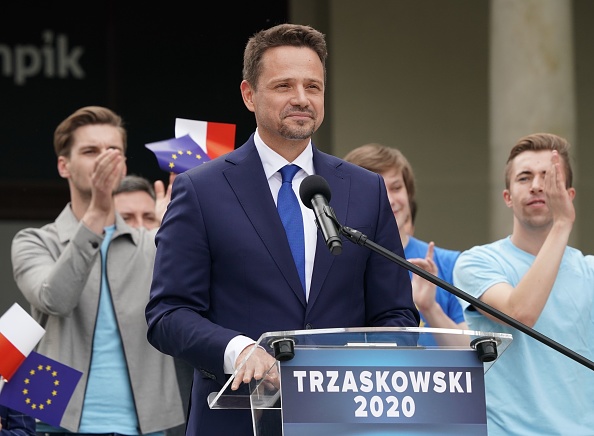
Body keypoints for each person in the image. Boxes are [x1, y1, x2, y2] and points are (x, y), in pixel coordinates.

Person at [145, 23, 419, 436]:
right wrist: (238, 350)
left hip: (344, 420)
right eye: (283, 86)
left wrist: (364, 360)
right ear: (248, 95)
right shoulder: (201, 189)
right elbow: (168, 313)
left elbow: (396, 312)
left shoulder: (365, 189)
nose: (301, 99)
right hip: (237, 419)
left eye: (313, 86)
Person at [11, 106, 184, 435]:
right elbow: (54, 299)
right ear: (64, 166)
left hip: (147, 425)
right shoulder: (34, 241)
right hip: (52, 420)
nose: (103, 159)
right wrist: (98, 211)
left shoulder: (152, 243)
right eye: (90, 151)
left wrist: (185, 223)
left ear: (124, 164)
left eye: (113, 151)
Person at [453, 133, 594, 435]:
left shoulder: (590, 271)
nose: (537, 186)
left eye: (549, 177)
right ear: (507, 196)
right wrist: (562, 224)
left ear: (569, 194)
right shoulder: (476, 262)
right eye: (524, 177)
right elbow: (520, 314)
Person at [344, 143, 468, 346]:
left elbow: (471, 352)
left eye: (396, 188)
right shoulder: (336, 262)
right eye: (377, 190)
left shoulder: (449, 262)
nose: (389, 199)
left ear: (409, 194)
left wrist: (429, 308)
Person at [113, 174, 191, 436]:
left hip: (175, 414)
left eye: (148, 218)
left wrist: (171, 235)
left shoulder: (172, 255)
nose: (140, 228)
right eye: (127, 219)